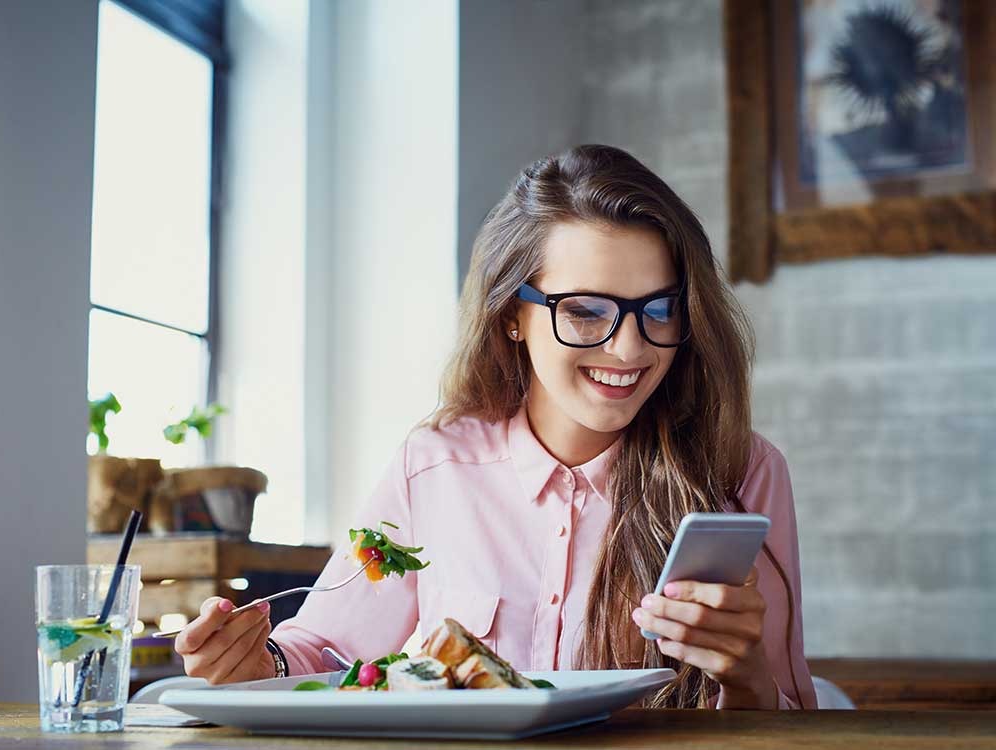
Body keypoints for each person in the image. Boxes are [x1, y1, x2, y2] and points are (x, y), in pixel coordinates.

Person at [173, 144, 818, 710]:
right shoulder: (431, 467)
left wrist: (747, 676)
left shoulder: (744, 471)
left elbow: (790, 718)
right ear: (513, 314)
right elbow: (330, 654)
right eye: (586, 312)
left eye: (659, 310)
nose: (628, 350)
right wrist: (259, 666)